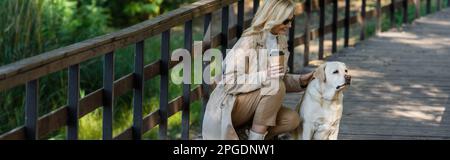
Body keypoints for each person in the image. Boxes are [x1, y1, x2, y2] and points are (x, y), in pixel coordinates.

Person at [202, 0, 314, 140]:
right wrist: (265, 75)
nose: (289, 25)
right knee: (275, 86)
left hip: (255, 106)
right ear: (273, 17)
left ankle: (249, 134)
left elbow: (278, 76)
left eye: (291, 20)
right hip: (231, 106)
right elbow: (230, 82)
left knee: (292, 119)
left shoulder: (281, 41)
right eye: (286, 21)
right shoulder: (249, 41)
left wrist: (300, 81)